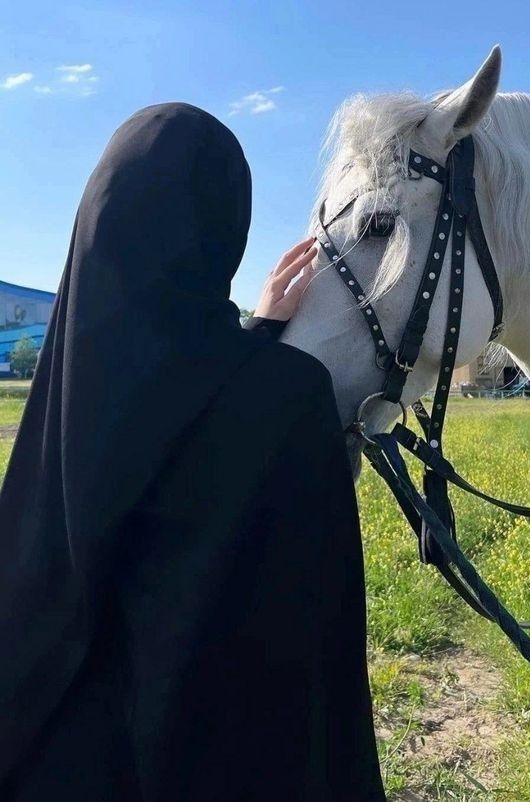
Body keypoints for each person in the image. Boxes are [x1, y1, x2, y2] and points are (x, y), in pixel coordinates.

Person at [0, 102, 385, 801]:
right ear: (225, 226)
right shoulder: (290, 395)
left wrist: (258, 332)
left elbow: (162, 413)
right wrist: (264, 347)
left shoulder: (67, 389)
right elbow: (309, 643)